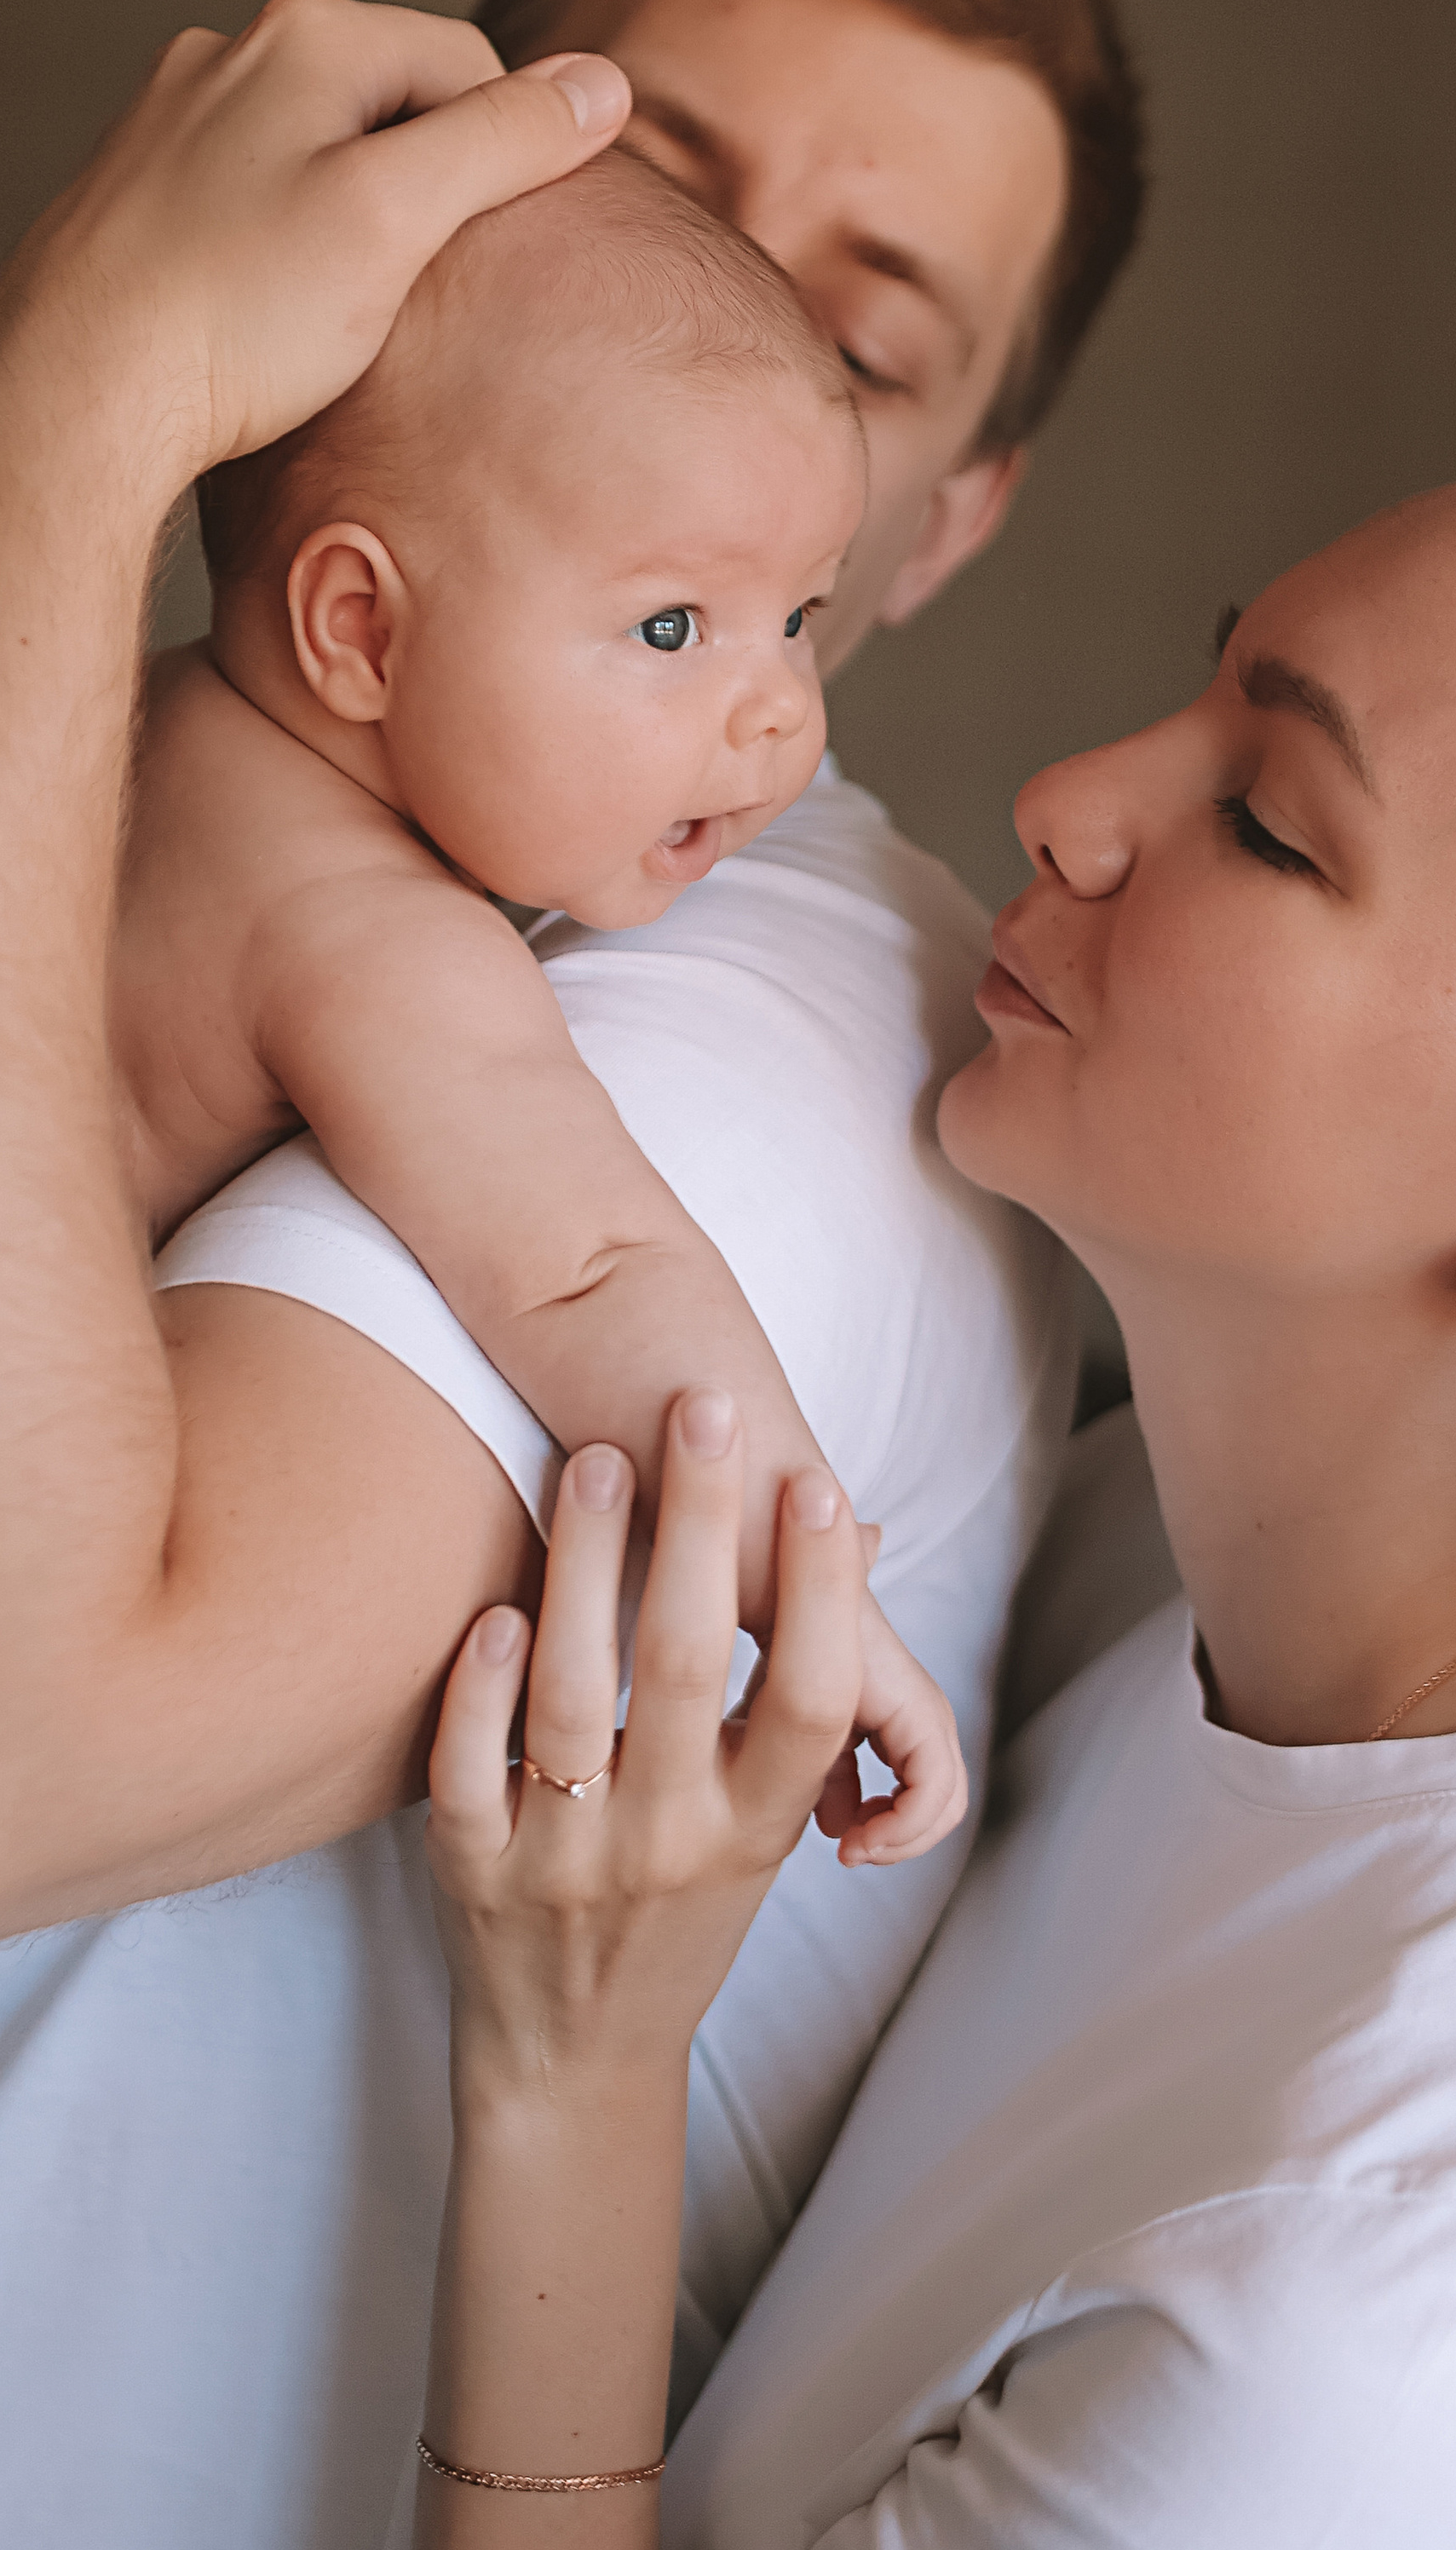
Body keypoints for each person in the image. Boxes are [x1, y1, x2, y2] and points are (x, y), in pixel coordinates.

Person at [0, 0, 1151, 2550]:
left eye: (855, 336)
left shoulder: (781, 1018)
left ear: (936, 513)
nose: (719, 338)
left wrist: (44, 426)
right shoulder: (195, 788)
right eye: (642, 202)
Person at [403, 437, 1456, 2550]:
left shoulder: (1447, 2331)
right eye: (1207, 685)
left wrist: (575, 2081)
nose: (1066, 799)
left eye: (1272, 823)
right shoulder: (1171, 1564)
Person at [118, 149, 956, 1825]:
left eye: (798, 616)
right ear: (360, 628)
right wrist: (815, 1594)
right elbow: (589, 1270)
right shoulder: (365, 933)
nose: (782, 711)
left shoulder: (127, 725)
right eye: (673, 630)